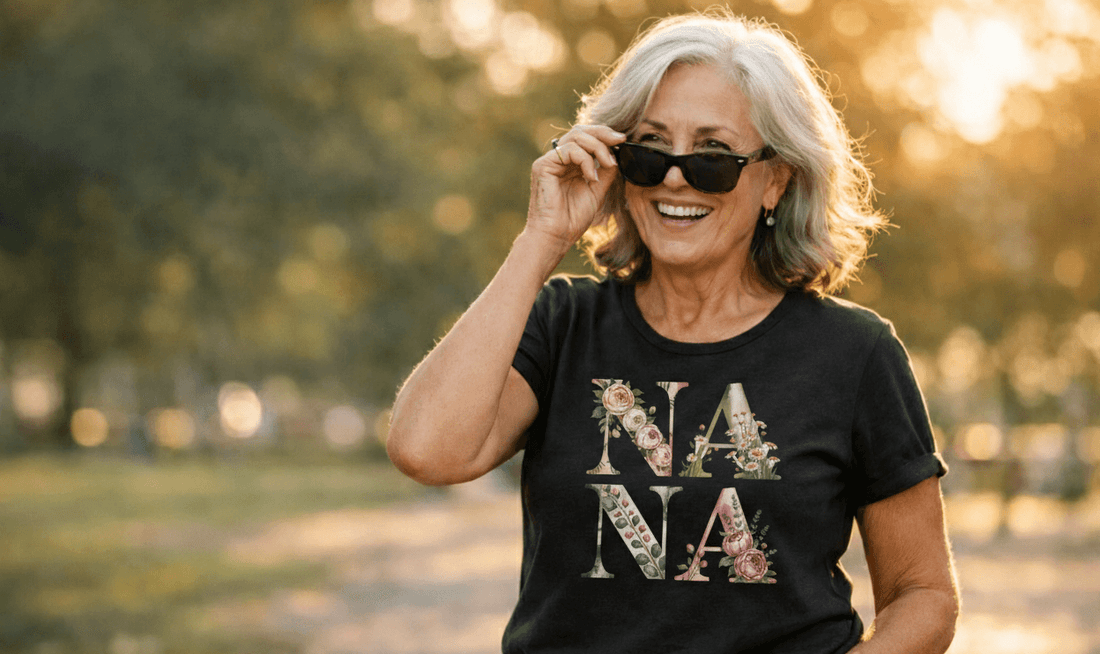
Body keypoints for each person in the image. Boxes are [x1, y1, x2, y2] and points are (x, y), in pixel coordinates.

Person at [387, 10, 958, 654]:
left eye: (714, 156)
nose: (677, 177)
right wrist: (541, 239)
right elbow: (426, 450)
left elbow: (924, 594)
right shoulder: (562, 324)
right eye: (649, 150)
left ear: (776, 180)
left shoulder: (855, 354)